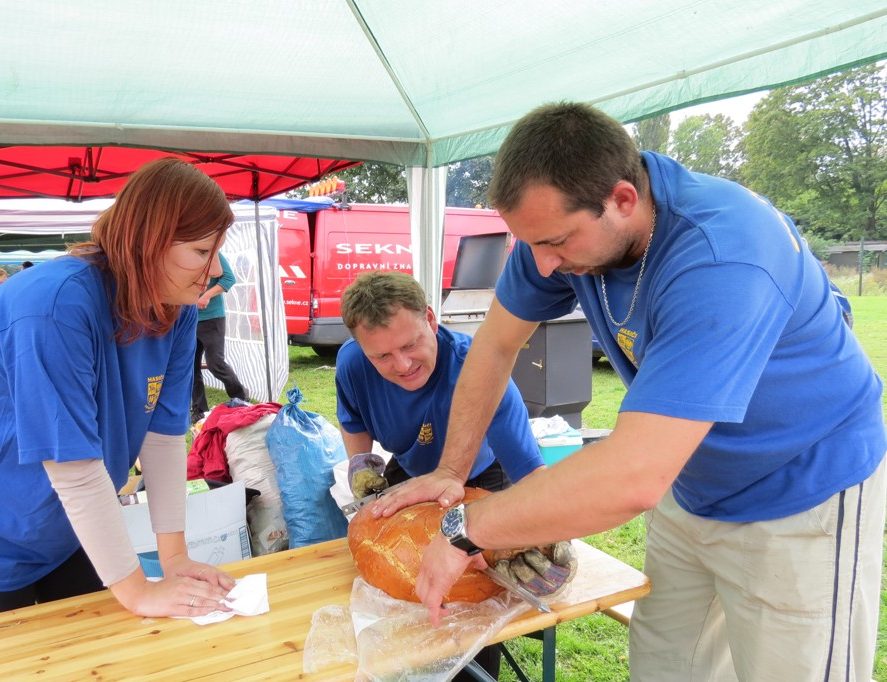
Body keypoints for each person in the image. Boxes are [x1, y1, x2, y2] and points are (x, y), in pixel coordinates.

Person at [369, 102, 886, 682]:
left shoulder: (723, 257)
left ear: (622, 199)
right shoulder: (559, 229)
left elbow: (633, 476)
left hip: (802, 491)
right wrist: (450, 471)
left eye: (557, 242)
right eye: (532, 244)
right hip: (691, 484)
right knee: (668, 667)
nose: (544, 264)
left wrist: (467, 531)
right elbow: (493, 347)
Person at [0, 158, 237, 626]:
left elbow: (162, 436)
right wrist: (137, 591)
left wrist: (174, 556)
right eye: (202, 251)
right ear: (149, 241)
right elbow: (72, 464)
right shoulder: (52, 307)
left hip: (65, 530)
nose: (215, 269)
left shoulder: (173, 310)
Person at [336, 271, 545, 682]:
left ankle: (476, 669)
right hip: (412, 468)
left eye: (411, 344)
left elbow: (530, 475)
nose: (403, 364)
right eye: (382, 357)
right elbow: (353, 419)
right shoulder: (352, 363)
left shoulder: (480, 370)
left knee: (472, 591)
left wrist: (530, 531)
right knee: (404, 576)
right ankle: (410, 666)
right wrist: (361, 463)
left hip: (484, 475)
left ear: (430, 319)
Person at [190, 251, 247, 422]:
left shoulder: (212, 252)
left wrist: (206, 296)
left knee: (216, 364)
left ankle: (241, 398)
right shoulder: (183, 253)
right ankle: (199, 410)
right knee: (191, 367)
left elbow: (229, 278)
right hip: (189, 319)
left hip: (212, 318)